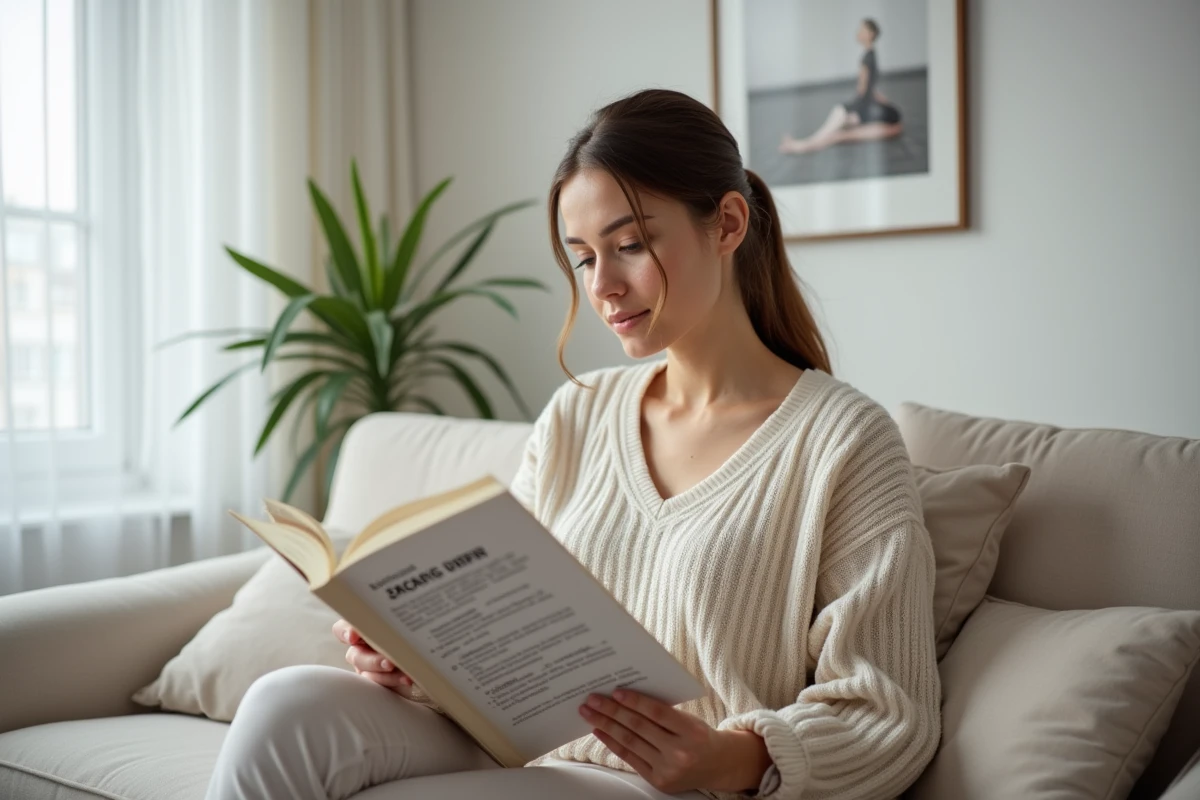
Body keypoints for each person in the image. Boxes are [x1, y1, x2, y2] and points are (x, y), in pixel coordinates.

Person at [205, 88, 940, 800]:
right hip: (528, 751)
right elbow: (510, 638)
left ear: (726, 224)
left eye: (630, 245)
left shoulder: (844, 441)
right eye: (585, 257)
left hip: (673, 786)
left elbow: (889, 712)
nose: (604, 286)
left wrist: (733, 757)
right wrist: (425, 666)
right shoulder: (577, 414)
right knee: (286, 705)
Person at [779, 18, 904, 154]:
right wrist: (881, 101)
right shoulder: (872, 55)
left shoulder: (866, 59)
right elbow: (870, 89)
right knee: (830, 129)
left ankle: (799, 146)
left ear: (870, 34)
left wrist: (854, 110)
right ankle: (799, 145)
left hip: (862, 107)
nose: (858, 32)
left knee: (827, 130)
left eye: (862, 30)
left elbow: (862, 90)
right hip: (865, 106)